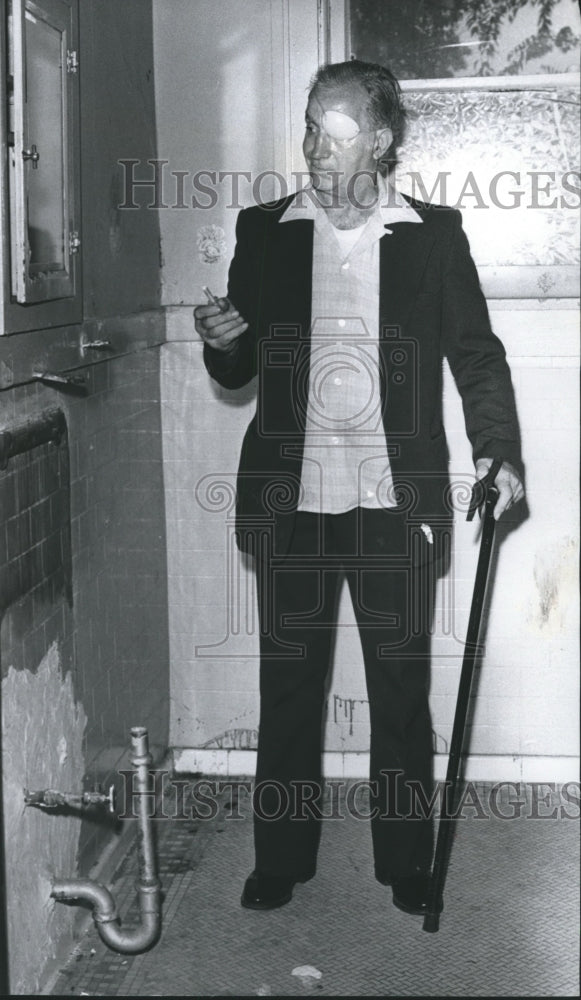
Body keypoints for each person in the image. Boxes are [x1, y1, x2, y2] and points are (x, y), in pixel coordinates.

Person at [193, 59, 525, 915]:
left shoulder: (431, 235)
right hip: (292, 501)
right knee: (289, 688)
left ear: (377, 141)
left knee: (399, 695)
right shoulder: (266, 229)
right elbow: (237, 362)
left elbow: (476, 357)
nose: (309, 146)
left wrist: (499, 450)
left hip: (392, 507)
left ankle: (405, 861)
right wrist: (222, 338)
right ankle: (281, 858)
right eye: (306, 126)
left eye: (328, 132)